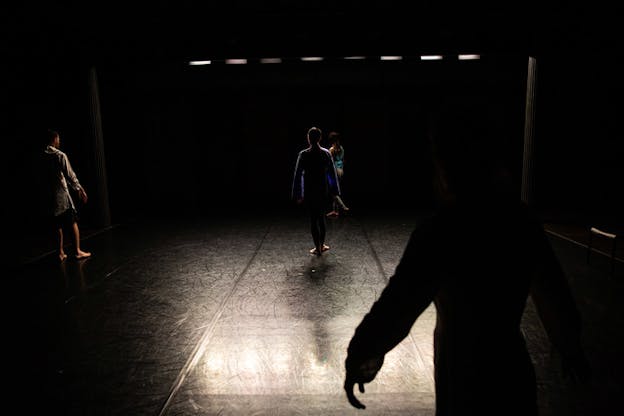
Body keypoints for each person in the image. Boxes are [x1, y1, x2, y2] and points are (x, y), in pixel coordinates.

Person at [343, 106, 591, 415]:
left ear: (445, 162)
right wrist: (570, 347)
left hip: (461, 371)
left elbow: (399, 305)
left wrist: (362, 352)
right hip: (510, 368)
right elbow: (553, 293)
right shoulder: (520, 222)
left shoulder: (441, 232)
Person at [41, 129, 91, 262]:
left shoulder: (41, 156)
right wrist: (80, 188)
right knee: (72, 221)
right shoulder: (59, 155)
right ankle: (77, 251)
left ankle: (60, 253)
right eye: (58, 138)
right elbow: (69, 174)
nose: (59, 141)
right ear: (54, 139)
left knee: (56, 224)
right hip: (61, 195)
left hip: (49, 196)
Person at [292, 127, 341, 256]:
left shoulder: (304, 154)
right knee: (321, 218)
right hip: (322, 190)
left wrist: (298, 193)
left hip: (310, 190)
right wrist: (334, 191)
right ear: (319, 138)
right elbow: (332, 175)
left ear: (308, 138)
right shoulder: (326, 153)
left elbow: (298, 175)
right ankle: (321, 245)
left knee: (313, 219)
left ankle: (317, 247)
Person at [326, 131, 350, 217]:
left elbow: (329, 162)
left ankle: (343, 207)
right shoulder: (342, 148)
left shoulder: (331, 150)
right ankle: (335, 211)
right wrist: (341, 169)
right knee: (335, 190)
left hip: (334, 171)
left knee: (333, 192)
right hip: (340, 170)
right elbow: (343, 160)